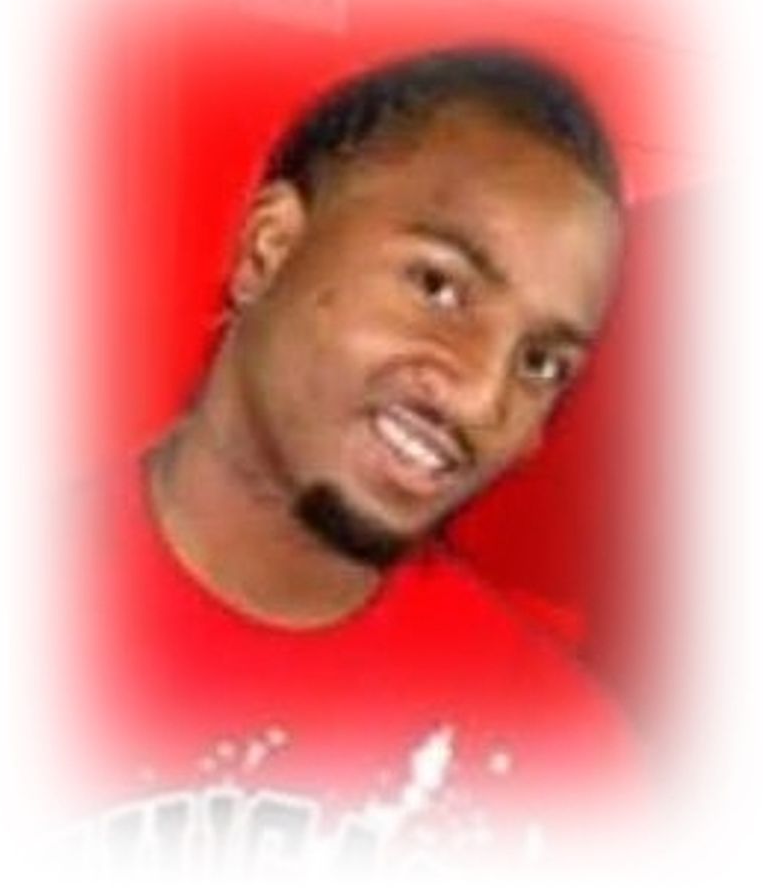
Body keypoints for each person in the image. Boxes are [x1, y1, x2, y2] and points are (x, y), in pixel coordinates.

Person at [67, 45, 641, 875]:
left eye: (540, 363)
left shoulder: (567, 763)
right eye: (438, 287)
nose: (481, 399)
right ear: (269, 249)